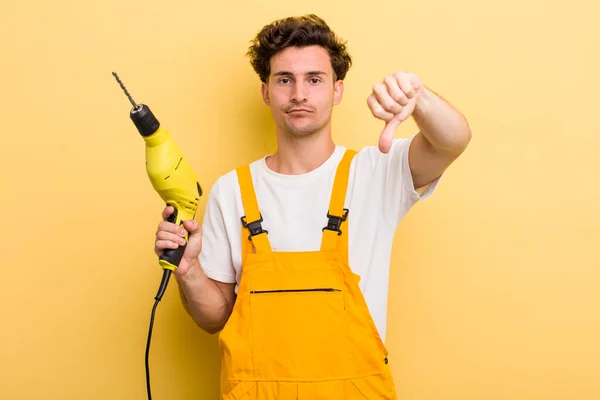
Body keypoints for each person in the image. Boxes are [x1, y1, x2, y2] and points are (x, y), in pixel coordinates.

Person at [154, 14, 471, 400]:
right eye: (284, 79)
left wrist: (417, 97)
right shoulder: (232, 191)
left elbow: (451, 141)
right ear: (266, 92)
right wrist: (187, 272)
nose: (299, 94)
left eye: (314, 79)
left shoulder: (375, 173)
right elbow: (214, 317)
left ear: (337, 90)